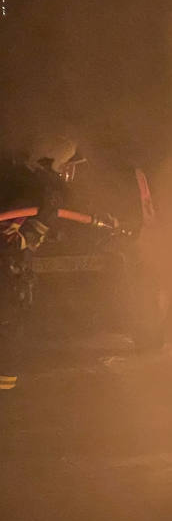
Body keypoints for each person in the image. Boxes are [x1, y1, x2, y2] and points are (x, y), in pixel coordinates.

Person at [0, 135, 82, 390]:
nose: (69, 172)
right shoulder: (42, 189)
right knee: (8, 329)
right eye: (67, 165)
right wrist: (26, 240)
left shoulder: (23, 182)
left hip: (11, 271)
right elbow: (15, 237)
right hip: (8, 274)